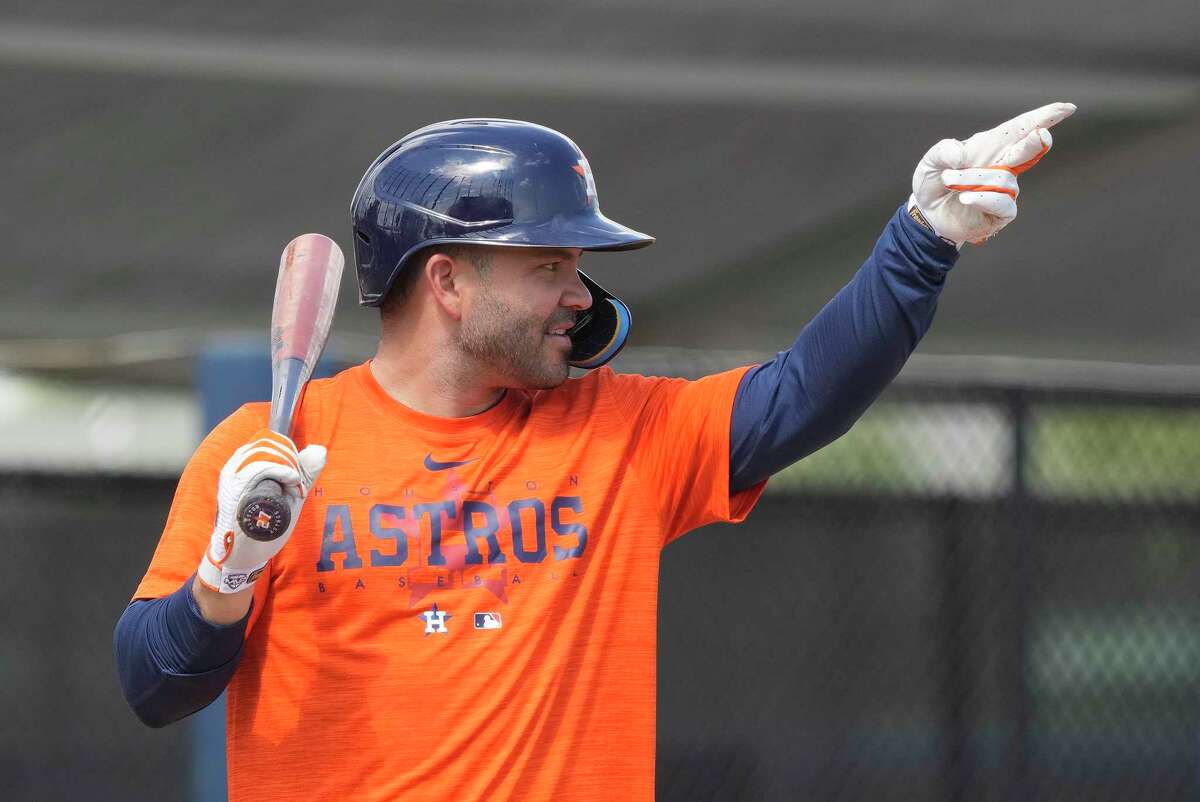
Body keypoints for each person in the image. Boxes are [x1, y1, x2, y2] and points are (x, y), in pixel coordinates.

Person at [115, 106, 1075, 801]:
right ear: (446, 281)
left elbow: (802, 397)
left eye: (577, 269)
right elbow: (154, 690)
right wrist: (226, 573)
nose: (578, 295)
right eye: (549, 268)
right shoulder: (267, 450)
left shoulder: (620, 428)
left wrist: (922, 244)